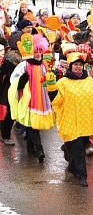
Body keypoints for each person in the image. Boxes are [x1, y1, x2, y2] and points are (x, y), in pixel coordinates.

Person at [51, 51, 93, 187]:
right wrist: (52, 93)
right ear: (71, 66)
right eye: (76, 65)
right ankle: (82, 176)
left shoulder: (89, 81)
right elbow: (56, 101)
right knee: (78, 149)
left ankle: (72, 166)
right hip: (69, 121)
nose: (78, 67)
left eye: (80, 65)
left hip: (87, 121)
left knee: (82, 144)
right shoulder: (63, 82)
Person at [9, 33, 55, 162]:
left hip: (41, 100)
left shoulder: (44, 66)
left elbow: (48, 82)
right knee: (33, 125)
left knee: (32, 125)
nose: (38, 54)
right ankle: (39, 150)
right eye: (35, 52)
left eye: (40, 51)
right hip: (28, 100)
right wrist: (22, 81)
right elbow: (13, 81)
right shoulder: (24, 66)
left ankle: (30, 148)